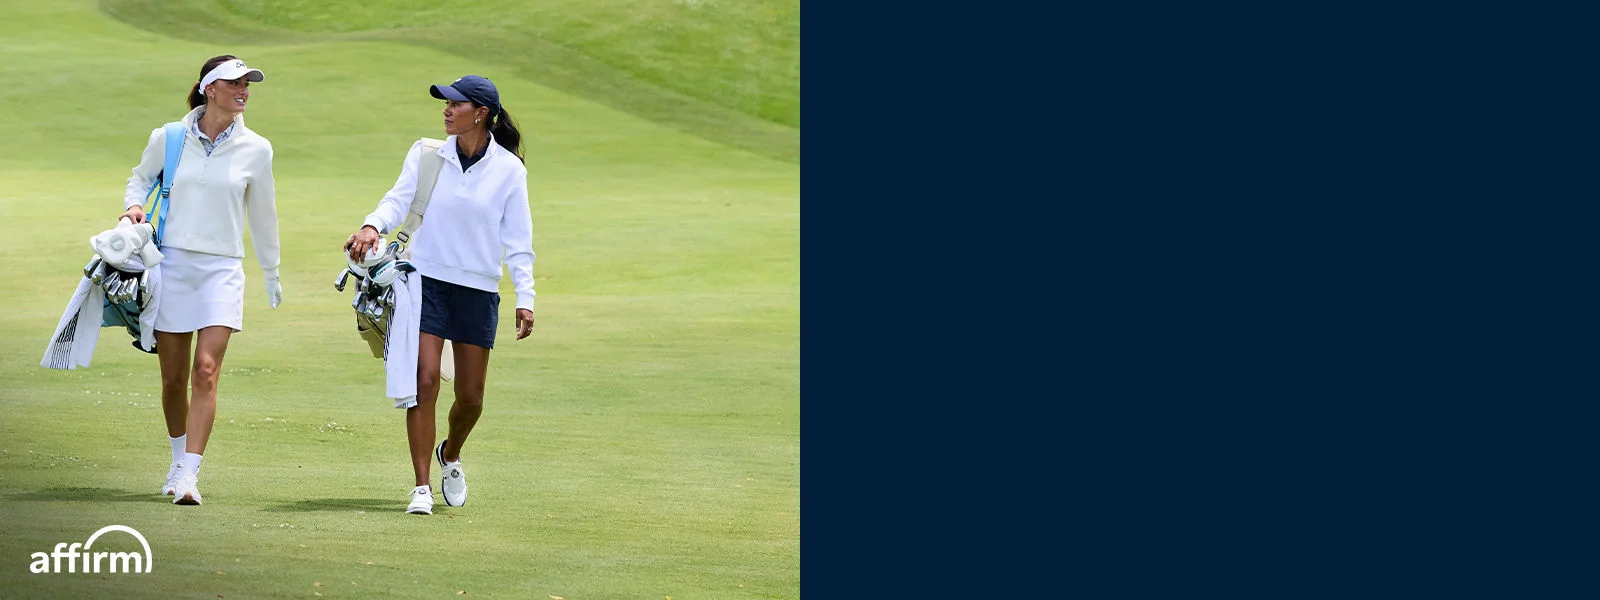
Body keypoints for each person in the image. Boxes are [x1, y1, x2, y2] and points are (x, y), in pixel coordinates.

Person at [345, 74, 535, 515]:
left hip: (478, 291)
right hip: (424, 282)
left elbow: (519, 240)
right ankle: (421, 487)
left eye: (456, 104)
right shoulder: (427, 154)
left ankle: (450, 453)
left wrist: (526, 297)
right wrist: (373, 225)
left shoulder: (510, 170)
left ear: (481, 114)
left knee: (470, 399)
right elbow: (397, 199)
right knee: (424, 381)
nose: (447, 110)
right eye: (445, 103)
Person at [120, 55, 283, 506]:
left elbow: (263, 215)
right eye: (235, 83)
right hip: (171, 265)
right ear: (210, 89)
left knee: (206, 370)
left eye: (248, 84)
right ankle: (177, 461)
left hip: (222, 269)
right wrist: (133, 208)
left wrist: (271, 271)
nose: (244, 90)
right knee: (173, 379)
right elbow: (139, 179)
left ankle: (190, 474)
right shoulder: (169, 137)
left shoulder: (257, 148)